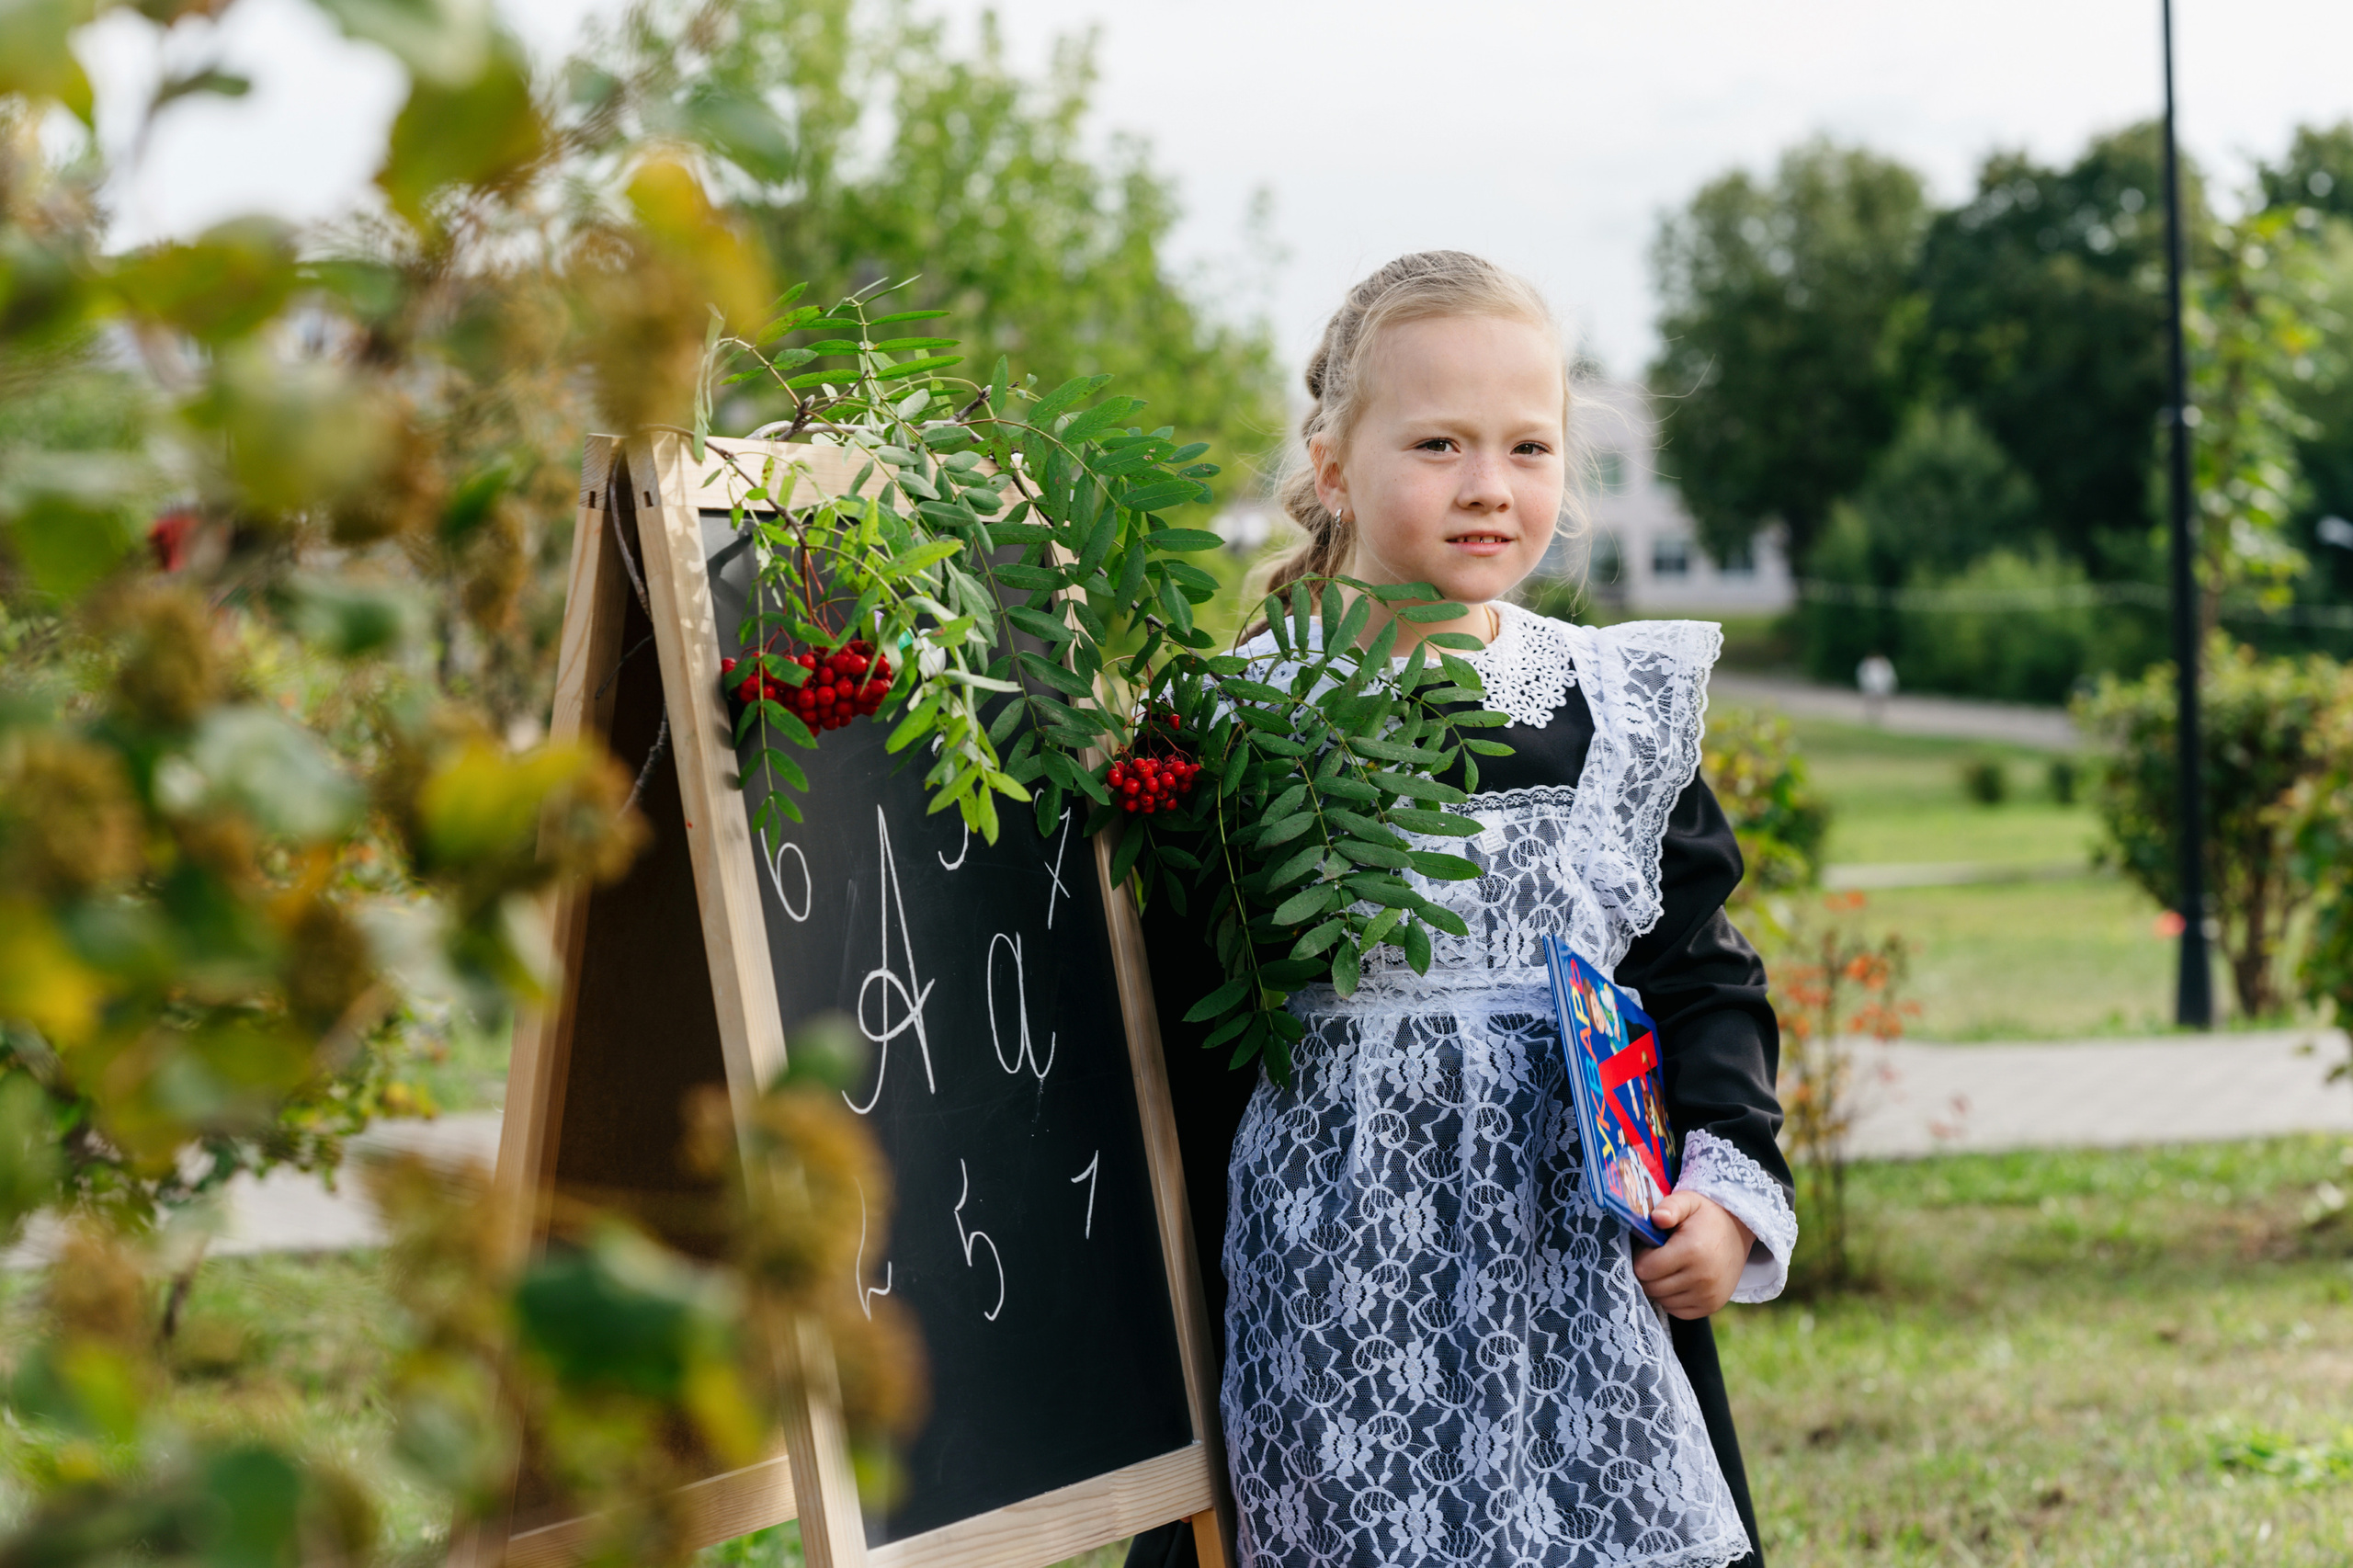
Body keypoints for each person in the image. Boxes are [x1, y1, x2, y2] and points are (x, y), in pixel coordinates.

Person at [1125, 252, 1796, 1568]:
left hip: (1581, 1277)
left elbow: (1700, 973)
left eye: (1529, 445)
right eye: (1438, 442)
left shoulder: (1612, 708)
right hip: (1333, 1288)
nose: (1490, 485)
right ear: (1332, 463)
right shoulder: (1229, 726)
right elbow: (1169, 1048)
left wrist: (1725, 1192)